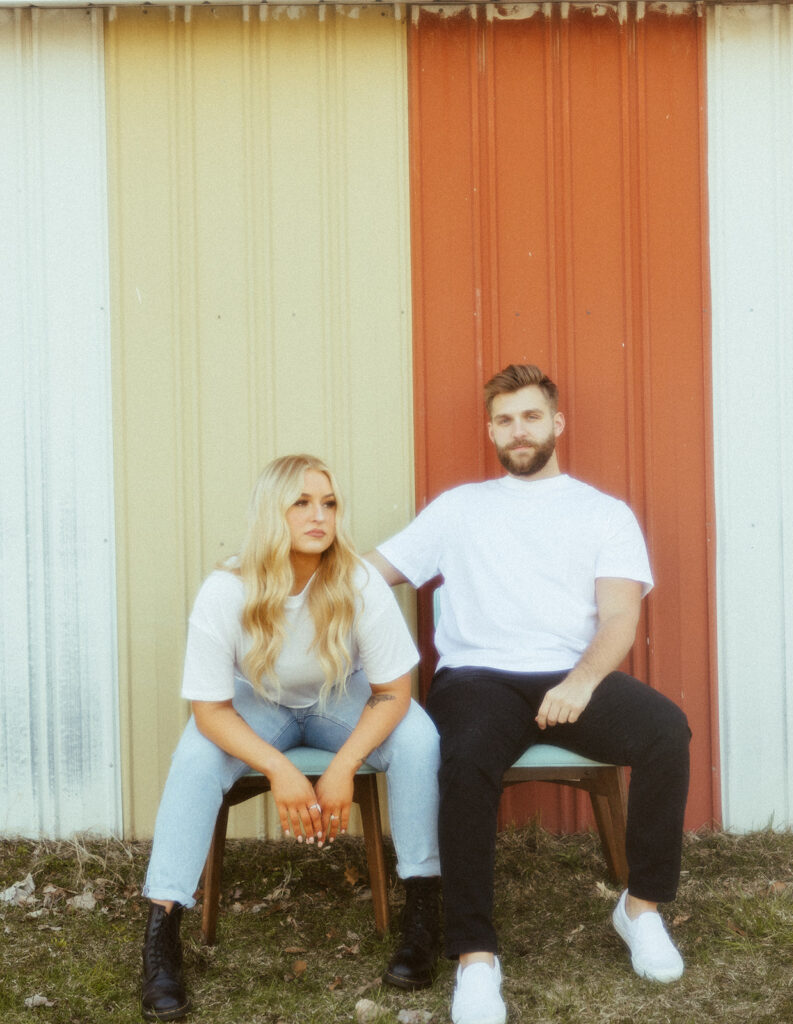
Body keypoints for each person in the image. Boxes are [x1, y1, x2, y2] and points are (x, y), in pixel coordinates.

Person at [366, 365, 691, 1024]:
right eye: (505, 420)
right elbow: (372, 575)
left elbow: (619, 615)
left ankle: (640, 910)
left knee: (665, 732)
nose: (519, 431)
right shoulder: (459, 508)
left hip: (571, 676)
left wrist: (580, 680)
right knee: (459, 762)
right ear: (491, 429)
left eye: (531, 416)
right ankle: (475, 958)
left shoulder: (602, 513)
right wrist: (276, 572)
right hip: (477, 680)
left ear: (555, 423)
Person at [140, 454, 441, 1022]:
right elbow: (209, 710)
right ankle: (161, 934)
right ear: (269, 513)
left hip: (339, 701)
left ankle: (423, 911)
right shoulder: (225, 589)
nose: (318, 515)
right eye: (301, 503)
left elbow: (394, 692)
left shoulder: (358, 579)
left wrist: (342, 767)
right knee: (197, 756)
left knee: (419, 739)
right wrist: (279, 769)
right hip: (259, 704)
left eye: (328, 503)